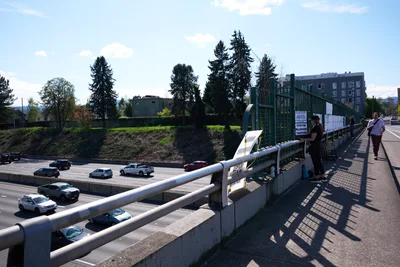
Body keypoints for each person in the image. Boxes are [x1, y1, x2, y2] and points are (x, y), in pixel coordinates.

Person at [300, 115, 327, 183]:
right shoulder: (320, 126)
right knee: (319, 161)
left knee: (315, 162)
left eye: (311, 120)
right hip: (319, 146)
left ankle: (317, 177)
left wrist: (304, 139)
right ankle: (323, 176)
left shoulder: (315, 128)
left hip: (315, 147)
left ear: (314, 120)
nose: (311, 121)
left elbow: (312, 138)